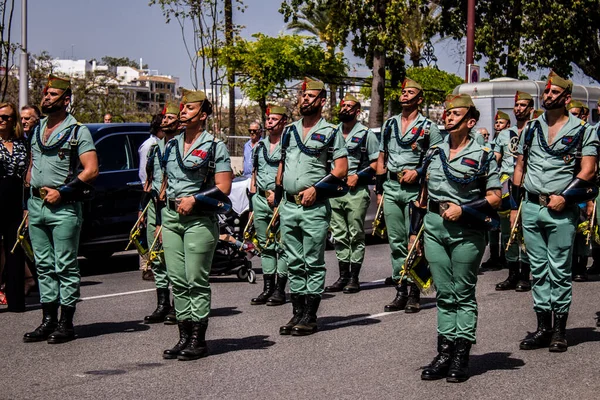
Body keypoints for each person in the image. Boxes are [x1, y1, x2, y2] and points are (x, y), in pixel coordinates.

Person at [417, 94, 501, 382]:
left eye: (456, 114)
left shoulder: (483, 154)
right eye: (447, 113)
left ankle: (461, 355)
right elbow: (423, 195)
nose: (449, 117)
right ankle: (445, 352)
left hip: (466, 231)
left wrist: (463, 209)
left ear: (471, 121)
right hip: (434, 227)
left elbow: (495, 197)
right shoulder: (433, 151)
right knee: (444, 292)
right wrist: (416, 232)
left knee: (462, 293)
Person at [513, 72, 598, 353]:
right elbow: (520, 167)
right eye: (546, 93)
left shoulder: (583, 130)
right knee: (538, 270)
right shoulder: (531, 129)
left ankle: (560, 330)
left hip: (561, 208)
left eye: (553, 93)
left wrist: (565, 197)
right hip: (532, 206)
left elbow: (588, 170)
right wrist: (516, 205)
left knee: (559, 270)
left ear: (566, 98)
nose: (547, 96)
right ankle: (543, 328)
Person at [23, 75, 99, 344]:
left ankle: (66, 323)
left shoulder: (78, 131)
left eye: (53, 94)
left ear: (66, 100)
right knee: (43, 265)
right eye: (45, 93)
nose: (46, 97)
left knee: (64, 265)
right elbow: (32, 166)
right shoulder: (37, 129)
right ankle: (48, 320)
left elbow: (91, 170)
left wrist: (63, 191)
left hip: (64, 206)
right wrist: (27, 202)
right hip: (36, 205)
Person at [160, 89, 232, 361]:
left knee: (195, 280)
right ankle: (183, 336)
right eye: (183, 108)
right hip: (171, 219)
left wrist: (194, 199)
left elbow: (223, 186)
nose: (183, 112)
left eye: (190, 109)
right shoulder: (170, 144)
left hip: (199, 220)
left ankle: (197, 340)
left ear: (202, 115)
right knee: (177, 280)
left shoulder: (215, 146)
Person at [276, 78, 348, 336]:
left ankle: (310, 315)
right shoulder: (289, 130)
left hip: (314, 206)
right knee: (293, 261)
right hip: (289, 205)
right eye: (302, 95)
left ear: (322, 101)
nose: (304, 99)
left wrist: (317, 189)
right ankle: (297, 312)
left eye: (310, 96)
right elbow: (282, 164)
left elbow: (341, 169)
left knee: (312, 261)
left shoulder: (331, 131)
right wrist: (279, 194)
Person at [375, 78, 442, 313]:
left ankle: (416, 291)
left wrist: (418, 172)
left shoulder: (428, 127)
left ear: (419, 99)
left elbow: (436, 159)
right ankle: (401, 289)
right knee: (396, 242)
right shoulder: (389, 124)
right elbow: (381, 158)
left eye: (410, 92)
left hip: (416, 190)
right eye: (403, 92)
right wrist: (380, 189)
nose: (404, 95)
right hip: (392, 188)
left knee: (416, 242)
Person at [325, 94, 378, 294]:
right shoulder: (332, 132)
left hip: (355, 192)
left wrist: (359, 176)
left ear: (357, 111)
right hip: (335, 191)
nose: (345, 109)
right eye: (343, 105)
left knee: (356, 233)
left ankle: (354, 277)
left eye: (350, 106)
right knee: (339, 235)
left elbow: (375, 163)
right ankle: (343, 276)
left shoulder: (366, 134)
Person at [141, 102, 180, 324]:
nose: (165, 121)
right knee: (156, 257)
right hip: (154, 207)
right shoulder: (155, 149)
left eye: (170, 117)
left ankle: (178, 304)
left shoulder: (179, 147)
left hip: (171, 208)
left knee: (173, 257)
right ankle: (162, 304)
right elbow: (149, 183)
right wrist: (142, 210)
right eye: (163, 118)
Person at [248, 105, 289, 306]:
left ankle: (280, 289)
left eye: (274, 119)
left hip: (280, 200)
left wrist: (278, 197)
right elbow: (254, 176)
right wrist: (252, 205)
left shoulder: (289, 145)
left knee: (282, 246)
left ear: (283, 122)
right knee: (265, 246)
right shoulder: (260, 147)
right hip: (261, 200)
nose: (270, 122)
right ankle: (267, 288)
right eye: (268, 119)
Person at [494, 91, 534, 291]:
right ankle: (511, 273)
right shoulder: (503, 134)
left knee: (525, 229)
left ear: (531, 109)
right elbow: (495, 160)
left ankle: (525, 274)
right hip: (506, 185)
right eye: (517, 105)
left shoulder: (535, 130)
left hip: (527, 184)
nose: (519, 108)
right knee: (506, 229)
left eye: (523, 105)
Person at [0, 102, 28, 312]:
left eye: (6, 117)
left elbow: (28, 175)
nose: (2, 121)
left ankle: (16, 300)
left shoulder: (21, 143)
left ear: (13, 121)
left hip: (15, 200)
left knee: (15, 250)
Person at [481, 110, 511, 271]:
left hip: (507, 183)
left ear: (508, 124)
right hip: (498, 182)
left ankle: (506, 255)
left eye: (501, 123)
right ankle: (495, 256)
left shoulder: (509, 137)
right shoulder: (494, 141)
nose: (498, 125)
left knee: (505, 222)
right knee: (494, 220)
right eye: (496, 123)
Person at [138, 114, 165, 279]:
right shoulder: (150, 146)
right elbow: (144, 176)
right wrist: (143, 204)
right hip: (151, 195)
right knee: (148, 231)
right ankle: (147, 265)